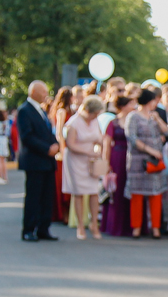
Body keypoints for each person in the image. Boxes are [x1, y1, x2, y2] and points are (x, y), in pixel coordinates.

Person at [18, 81, 61, 242]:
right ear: (33, 92)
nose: (46, 95)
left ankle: (44, 228)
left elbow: (48, 132)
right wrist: (46, 148)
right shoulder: (24, 110)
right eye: (43, 91)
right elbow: (27, 136)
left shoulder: (42, 111)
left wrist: (56, 144)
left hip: (47, 162)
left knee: (47, 197)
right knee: (34, 197)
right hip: (35, 161)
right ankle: (29, 229)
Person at [124, 89, 168, 239]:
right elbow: (132, 138)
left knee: (156, 194)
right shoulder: (133, 117)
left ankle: (156, 228)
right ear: (149, 101)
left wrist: (158, 120)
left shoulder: (153, 116)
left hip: (154, 163)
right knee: (136, 195)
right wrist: (150, 150)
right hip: (138, 161)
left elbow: (167, 132)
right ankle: (136, 227)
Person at [63, 95, 106, 240]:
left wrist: (101, 147)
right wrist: (88, 152)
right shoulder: (73, 123)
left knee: (94, 192)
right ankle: (80, 226)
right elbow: (70, 144)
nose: (96, 117)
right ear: (88, 110)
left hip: (91, 161)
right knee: (79, 193)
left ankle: (94, 224)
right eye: (95, 114)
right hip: (76, 160)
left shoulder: (95, 121)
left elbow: (99, 138)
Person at [101, 95, 137, 237]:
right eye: (130, 104)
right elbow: (106, 144)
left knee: (130, 190)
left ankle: (131, 225)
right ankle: (114, 225)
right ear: (122, 106)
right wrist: (106, 163)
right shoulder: (113, 123)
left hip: (131, 158)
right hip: (117, 158)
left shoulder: (134, 121)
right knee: (116, 191)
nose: (133, 106)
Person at [50, 87, 74, 223]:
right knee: (62, 183)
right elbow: (59, 132)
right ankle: (62, 213)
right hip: (63, 152)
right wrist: (63, 149)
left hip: (69, 149)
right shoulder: (61, 112)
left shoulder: (71, 110)